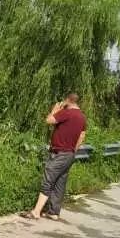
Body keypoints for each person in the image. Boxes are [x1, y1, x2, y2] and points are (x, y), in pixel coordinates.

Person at [21, 93, 87, 221]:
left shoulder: (66, 112)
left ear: (68, 100)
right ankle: (53, 212)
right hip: (70, 154)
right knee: (59, 183)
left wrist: (55, 109)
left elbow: (49, 120)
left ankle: (36, 212)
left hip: (59, 152)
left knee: (48, 179)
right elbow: (82, 135)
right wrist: (74, 149)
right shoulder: (82, 117)